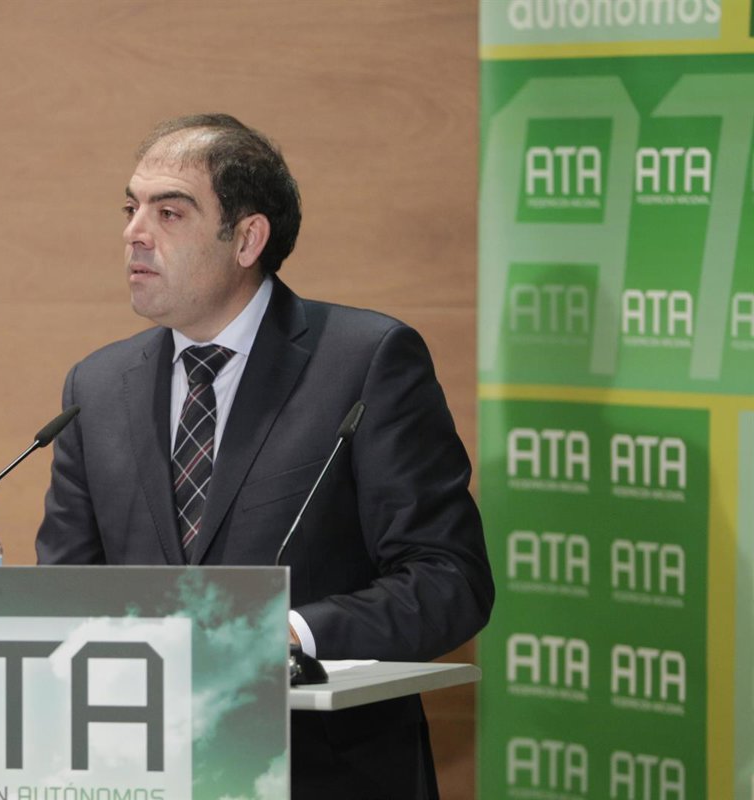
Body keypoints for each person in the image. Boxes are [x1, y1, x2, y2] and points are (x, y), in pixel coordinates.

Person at [36, 113, 493, 798]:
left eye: (169, 213)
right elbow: (68, 588)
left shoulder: (364, 362)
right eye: (131, 210)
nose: (135, 233)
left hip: (323, 773)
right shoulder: (96, 387)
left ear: (248, 238)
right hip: (148, 770)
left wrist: (293, 632)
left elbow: (448, 580)